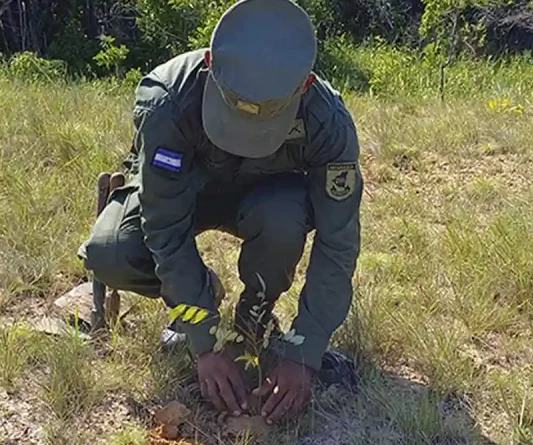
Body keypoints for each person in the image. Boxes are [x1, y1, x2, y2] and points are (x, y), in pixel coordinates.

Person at [77, 0, 362, 425]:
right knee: (110, 253)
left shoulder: (328, 121)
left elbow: (338, 244)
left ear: (303, 86)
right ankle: (200, 296)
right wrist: (205, 339)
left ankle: (254, 319)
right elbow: (165, 228)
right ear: (210, 62)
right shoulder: (169, 100)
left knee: (284, 216)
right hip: (185, 196)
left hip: (264, 203)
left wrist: (305, 353)